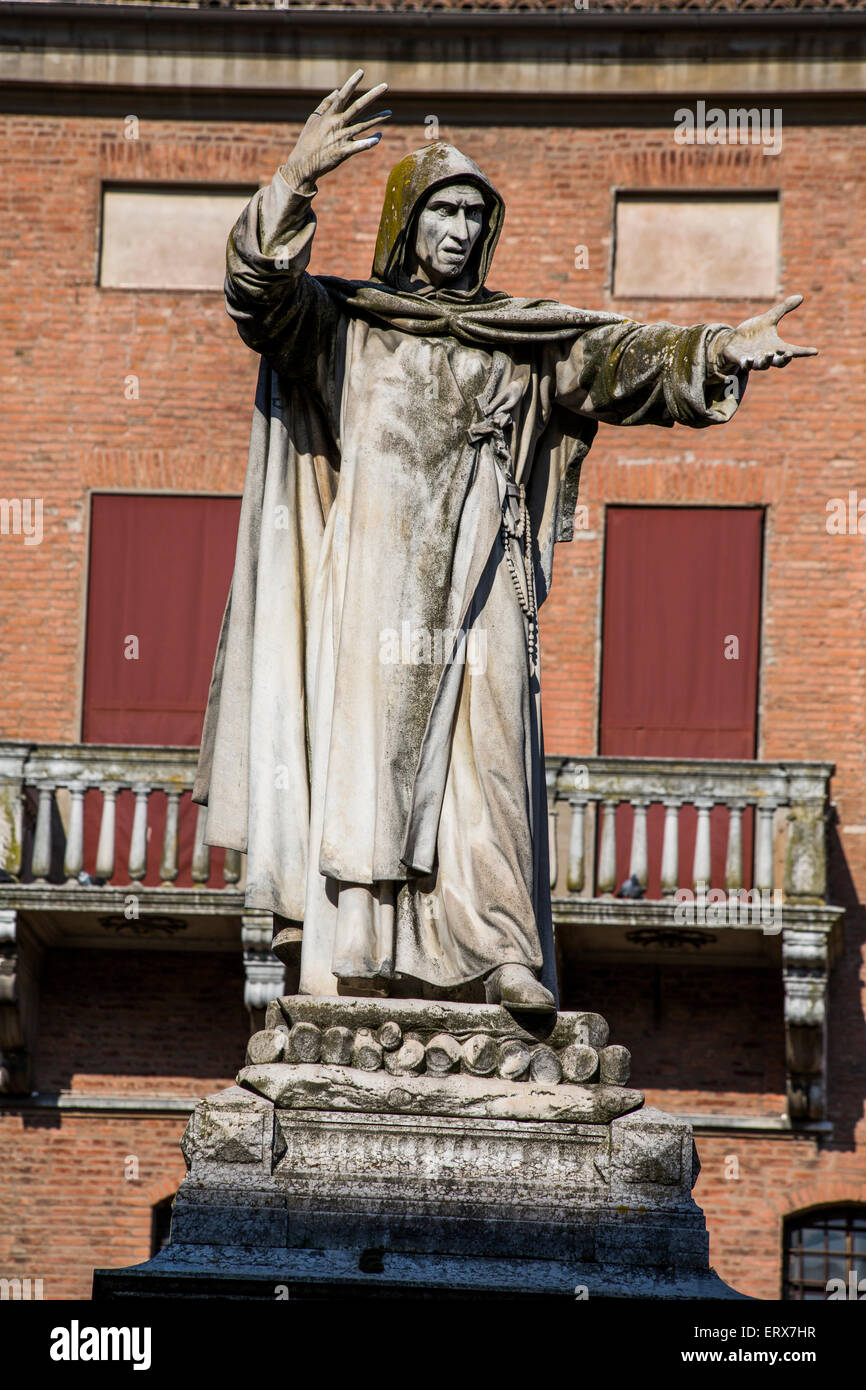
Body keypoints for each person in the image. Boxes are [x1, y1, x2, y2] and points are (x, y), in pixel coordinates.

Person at [193, 71, 816, 1013]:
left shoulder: (518, 340)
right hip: (379, 576)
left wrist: (720, 348)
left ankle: (501, 951)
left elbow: (619, 362)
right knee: (377, 753)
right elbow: (257, 294)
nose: (460, 232)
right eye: (442, 212)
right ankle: (360, 940)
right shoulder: (348, 328)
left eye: (474, 218)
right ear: (410, 226)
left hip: (489, 567)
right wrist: (294, 178)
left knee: (491, 750)